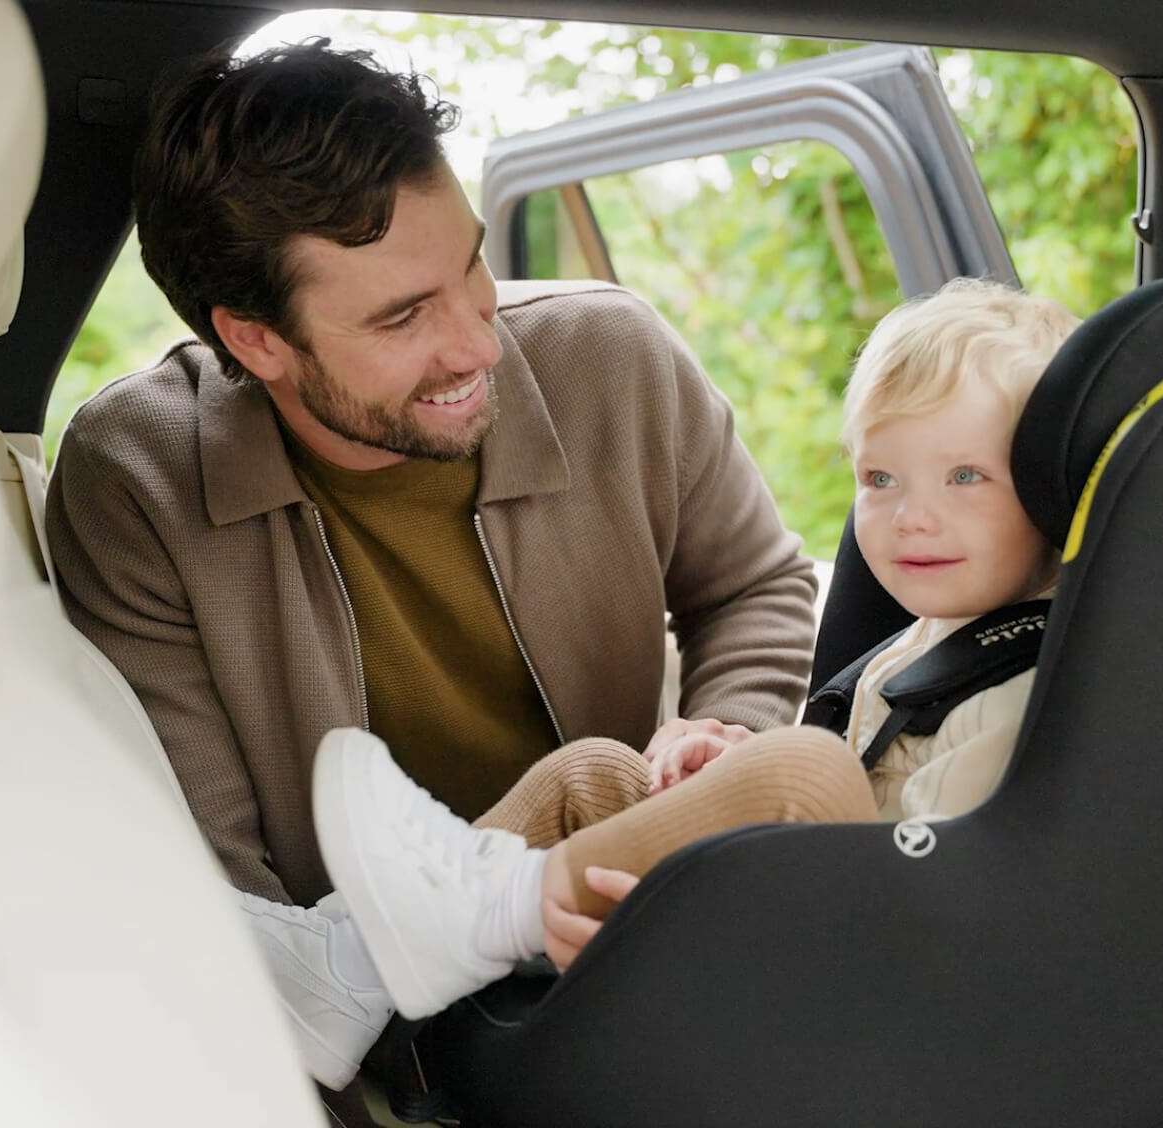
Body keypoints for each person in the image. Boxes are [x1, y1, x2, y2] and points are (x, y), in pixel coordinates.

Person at [44, 39, 817, 1109]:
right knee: (793, 785)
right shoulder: (137, 480)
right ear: (256, 340)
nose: (477, 342)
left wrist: (714, 739)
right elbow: (218, 882)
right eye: (403, 317)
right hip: (407, 1043)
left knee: (761, 775)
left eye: (472, 268)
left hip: (630, 926)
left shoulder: (610, 357)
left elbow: (756, 589)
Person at [307, 277, 1081, 1036]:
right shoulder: (920, 642)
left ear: (1056, 493)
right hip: (820, 912)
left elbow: (936, 910)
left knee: (806, 768)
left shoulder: (1018, 694)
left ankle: (447, 928)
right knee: (598, 773)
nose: (911, 517)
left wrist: (753, 823)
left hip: (869, 990)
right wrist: (734, 764)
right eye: (879, 478)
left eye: (966, 477)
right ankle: (340, 955)